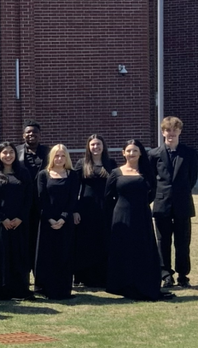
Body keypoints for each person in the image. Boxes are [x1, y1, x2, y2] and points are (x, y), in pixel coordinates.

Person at [106, 140, 174, 301]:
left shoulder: (147, 172)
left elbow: (152, 193)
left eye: (135, 150)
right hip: (121, 215)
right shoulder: (116, 172)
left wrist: (141, 205)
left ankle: (143, 284)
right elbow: (108, 197)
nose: (131, 153)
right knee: (124, 250)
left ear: (140, 153)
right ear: (123, 153)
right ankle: (124, 285)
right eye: (128, 150)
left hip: (142, 215)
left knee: (142, 249)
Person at [0, 142, 34, 300]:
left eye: (11, 152)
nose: (8, 155)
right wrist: (2, 218)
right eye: (5, 153)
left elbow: (29, 197)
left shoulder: (23, 173)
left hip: (18, 222)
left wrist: (20, 217)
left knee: (17, 255)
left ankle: (18, 289)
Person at [149, 116, 198, 288]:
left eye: (174, 130)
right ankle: (165, 275)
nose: (171, 133)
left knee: (182, 241)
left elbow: (192, 178)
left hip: (183, 203)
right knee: (163, 241)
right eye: (168, 130)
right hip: (162, 203)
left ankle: (183, 275)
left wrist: (180, 191)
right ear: (163, 132)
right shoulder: (153, 155)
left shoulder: (190, 154)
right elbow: (151, 179)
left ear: (180, 131)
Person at [34, 144, 80, 300]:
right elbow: (41, 199)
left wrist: (62, 218)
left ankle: (63, 289)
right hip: (47, 222)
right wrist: (50, 219)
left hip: (65, 222)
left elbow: (72, 199)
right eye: (56, 155)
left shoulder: (72, 175)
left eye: (62, 156)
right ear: (51, 157)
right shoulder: (43, 175)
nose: (59, 158)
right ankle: (45, 289)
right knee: (47, 255)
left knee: (64, 254)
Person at [72, 134, 115, 288]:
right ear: (88, 147)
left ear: (103, 146)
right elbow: (74, 189)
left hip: (105, 208)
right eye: (93, 145)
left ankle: (102, 277)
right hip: (86, 208)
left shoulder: (110, 163)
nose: (96, 147)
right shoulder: (81, 163)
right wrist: (75, 210)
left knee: (103, 241)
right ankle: (82, 277)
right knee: (85, 243)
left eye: (98, 144)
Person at [16, 121, 49, 270]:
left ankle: (39, 270)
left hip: (43, 201)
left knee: (40, 236)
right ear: (23, 135)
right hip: (22, 201)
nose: (31, 134)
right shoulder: (16, 153)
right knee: (23, 237)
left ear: (40, 135)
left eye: (34, 132)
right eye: (28, 132)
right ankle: (24, 269)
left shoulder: (49, 153)